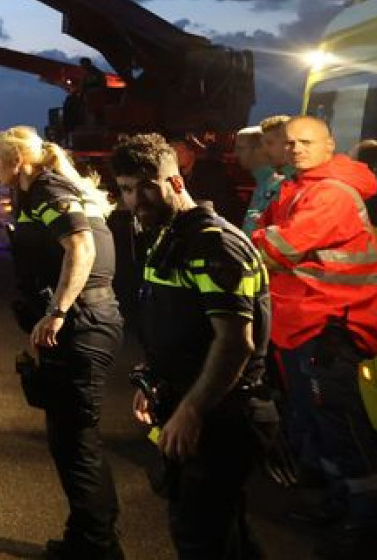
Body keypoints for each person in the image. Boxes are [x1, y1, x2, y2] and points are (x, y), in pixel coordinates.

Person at [109, 133, 270, 560]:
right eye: (125, 189)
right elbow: (177, 324)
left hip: (218, 414)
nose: (133, 200)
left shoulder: (213, 244)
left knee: (200, 536)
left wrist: (192, 410)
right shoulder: (170, 237)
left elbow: (235, 342)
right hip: (187, 401)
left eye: (144, 187)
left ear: (176, 183)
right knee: (223, 533)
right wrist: (151, 377)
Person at [249, 116, 377, 556]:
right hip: (303, 323)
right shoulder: (299, 187)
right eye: (289, 143)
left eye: (305, 142)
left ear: (330, 144)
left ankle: (369, 524)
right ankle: (338, 502)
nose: (294, 149)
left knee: (340, 426)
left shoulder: (329, 193)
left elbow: (274, 247)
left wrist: (266, 241)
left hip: (328, 327)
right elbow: (267, 236)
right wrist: (267, 240)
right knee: (320, 424)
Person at [0, 125, 125, 560]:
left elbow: (82, 248)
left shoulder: (48, 188)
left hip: (81, 322)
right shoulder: (49, 190)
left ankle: (99, 546)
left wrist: (58, 311)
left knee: (77, 442)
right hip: (86, 320)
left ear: (17, 161)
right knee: (69, 439)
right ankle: (85, 534)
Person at [241, 115, 290, 233]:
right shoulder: (270, 180)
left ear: (288, 144)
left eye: (269, 143)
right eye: (262, 145)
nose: (264, 151)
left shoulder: (303, 186)